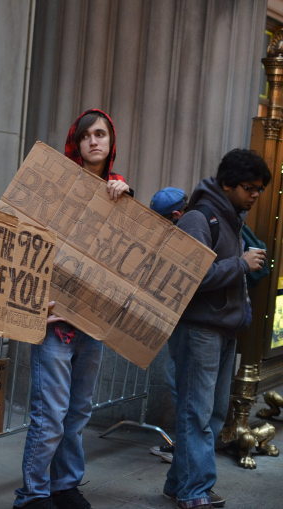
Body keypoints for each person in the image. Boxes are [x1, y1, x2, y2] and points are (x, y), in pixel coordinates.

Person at [13, 109, 130, 509]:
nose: (94, 141)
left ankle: (65, 485)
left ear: (111, 143)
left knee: (78, 413)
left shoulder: (122, 194)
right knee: (50, 415)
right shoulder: (55, 189)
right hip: (53, 321)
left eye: (101, 134)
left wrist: (124, 199)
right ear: (76, 144)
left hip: (91, 325)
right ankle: (32, 494)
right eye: (86, 136)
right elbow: (25, 236)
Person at [163, 149, 270, 509]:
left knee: (212, 413)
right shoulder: (200, 217)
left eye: (259, 189)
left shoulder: (232, 218)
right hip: (199, 330)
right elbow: (191, 277)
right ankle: (195, 491)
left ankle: (180, 485)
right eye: (249, 188)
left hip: (223, 329)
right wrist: (239, 264)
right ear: (227, 184)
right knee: (197, 413)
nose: (255, 195)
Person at [147, 186, 187, 463]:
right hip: (186, 322)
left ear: (174, 215)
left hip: (190, 324)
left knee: (180, 385)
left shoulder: (190, 234)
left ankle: (182, 450)